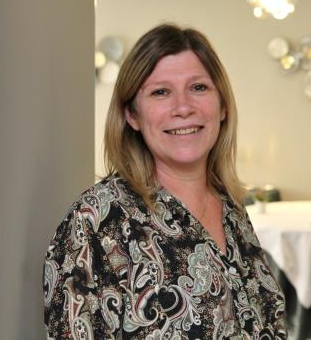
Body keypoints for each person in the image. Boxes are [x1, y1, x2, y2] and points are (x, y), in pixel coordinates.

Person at [43, 24, 287, 338]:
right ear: (132, 115)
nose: (183, 108)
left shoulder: (233, 212)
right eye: (161, 92)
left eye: (198, 87)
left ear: (223, 105)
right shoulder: (97, 220)